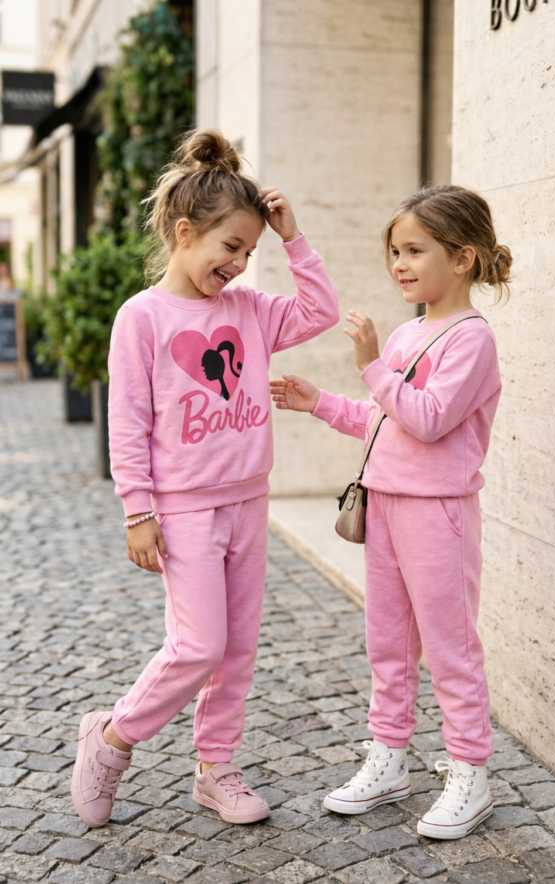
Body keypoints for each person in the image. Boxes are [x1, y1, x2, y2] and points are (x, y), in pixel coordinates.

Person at [71, 129, 339, 828]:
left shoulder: (250, 310)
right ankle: (112, 738)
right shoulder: (142, 318)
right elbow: (127, 422)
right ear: (185, 233)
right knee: (199, 645)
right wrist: (138, 511)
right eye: (232, 247)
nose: (241, 265)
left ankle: (216, 767)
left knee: (237, 649)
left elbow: (321, 312)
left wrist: (293, 239)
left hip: (249, 501)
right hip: (183, 510)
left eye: (250, 252)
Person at [270, 185, 512, 840]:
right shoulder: (409, 332)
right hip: (387, 509)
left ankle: (471, 770)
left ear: (461, 258)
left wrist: (370, 365)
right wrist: (319, 401)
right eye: (395, 252)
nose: (399, 264)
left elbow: (428, 420)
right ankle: (390, 757)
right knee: (388, 643)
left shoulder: (471, 340)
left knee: (450, 646)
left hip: (438, 515)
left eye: (414, 251)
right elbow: (386, 421)